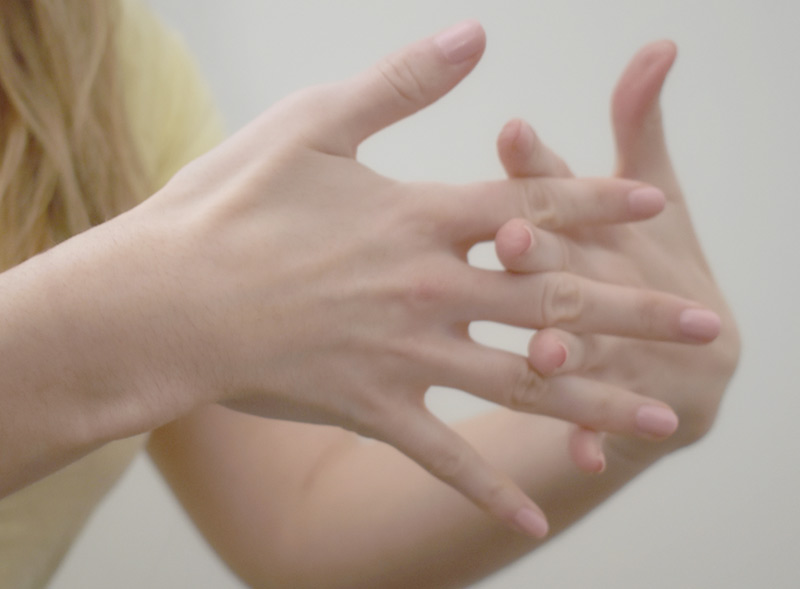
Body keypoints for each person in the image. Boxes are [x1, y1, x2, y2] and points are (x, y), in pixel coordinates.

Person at [0, 1, 738, 587]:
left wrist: (622, 401)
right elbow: (177, 310)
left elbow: (297, 511)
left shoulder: (107, 61)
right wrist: (161, 309)